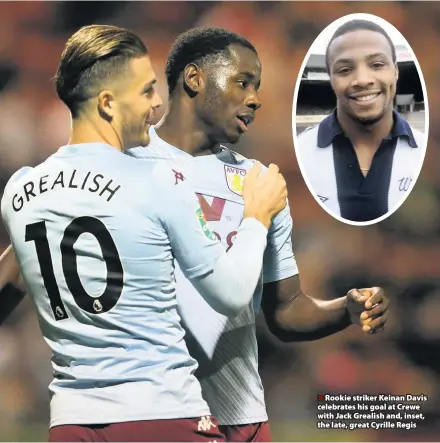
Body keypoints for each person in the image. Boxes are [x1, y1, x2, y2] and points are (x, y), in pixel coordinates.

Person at [0, 24, 289, 442]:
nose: (157, 106)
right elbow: (230, 294)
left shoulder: (22, 190)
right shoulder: (159, 180)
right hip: (162, 415)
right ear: (107, 104)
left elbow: (12, 278)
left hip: (71, 424)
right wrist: (256, 215)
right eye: (147, 91)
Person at [128, 27, 390, 442]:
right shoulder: (124, 166)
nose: (255, 98)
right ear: (194, 79)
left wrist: (345, 309)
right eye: (242, 82)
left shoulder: (258, 183)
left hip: (239, 417)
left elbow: (285, 309)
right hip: (152, 413)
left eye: (258, 86)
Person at [296, 19, 426, 223]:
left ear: (395, 71)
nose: (363, 80)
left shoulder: (426, 154)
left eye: (376, 65)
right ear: (331, 80)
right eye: (345, 70)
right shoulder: (299, 154)